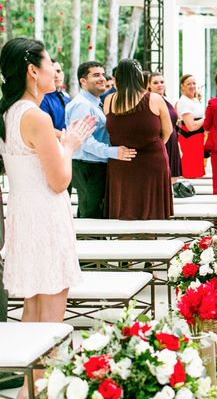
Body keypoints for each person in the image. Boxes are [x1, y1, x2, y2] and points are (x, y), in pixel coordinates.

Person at [0, 38, 95, 399]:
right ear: (31, 70)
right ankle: (41, 393)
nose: (55, 69)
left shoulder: (8, 113)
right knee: (52, 317)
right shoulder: (36, 116)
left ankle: (29, 393)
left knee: (32, 313)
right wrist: (68, 145)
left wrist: (61, 142)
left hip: (24, 215)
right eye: (50, 62)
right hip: (45, 216)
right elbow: (59, 181)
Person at [104, 59, 173, 220]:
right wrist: (154, 146)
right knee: (152, 216)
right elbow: (168, 130)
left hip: (122, 162)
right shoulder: (154, 99)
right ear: (139, 76)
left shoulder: (109, 100)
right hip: (152, 161)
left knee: (124, 214)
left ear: (118, 77)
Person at [65, 61, 136, 218]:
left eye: (103, 74)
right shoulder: (82, 105)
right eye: (96, 75)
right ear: (83, 81)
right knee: (91, 215)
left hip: (94, 165)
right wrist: (114, 152)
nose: (102, 78)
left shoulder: (94, 103)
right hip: (88, 166)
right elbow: (84, 141)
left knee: (93, 212)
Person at [148, 72, 182, 185]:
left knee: (172, 179)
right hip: (160, 142)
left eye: (162, 82)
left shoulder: (168, 100)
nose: (159, 85)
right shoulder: (148, 101)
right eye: (155, 83)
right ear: (149, 85)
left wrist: (178, 145)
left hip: (172, 141)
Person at [176, 74, 205, 178]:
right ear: (182, 86)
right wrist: (206, 118)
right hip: (190, 140)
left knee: (196, 173)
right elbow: (191, 126)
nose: (192, 86)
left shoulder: (194, 100)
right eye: (189, 84)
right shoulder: (184, 102)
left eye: (194, 83)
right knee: (191, 173)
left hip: (197, 139)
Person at [39, 59, 69, 138]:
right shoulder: (42, 99)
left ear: (62, 74)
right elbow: (43, 129)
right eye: (52, 72)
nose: (56, 75)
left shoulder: (67, 99)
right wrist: (68, 137)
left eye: (58, 71)